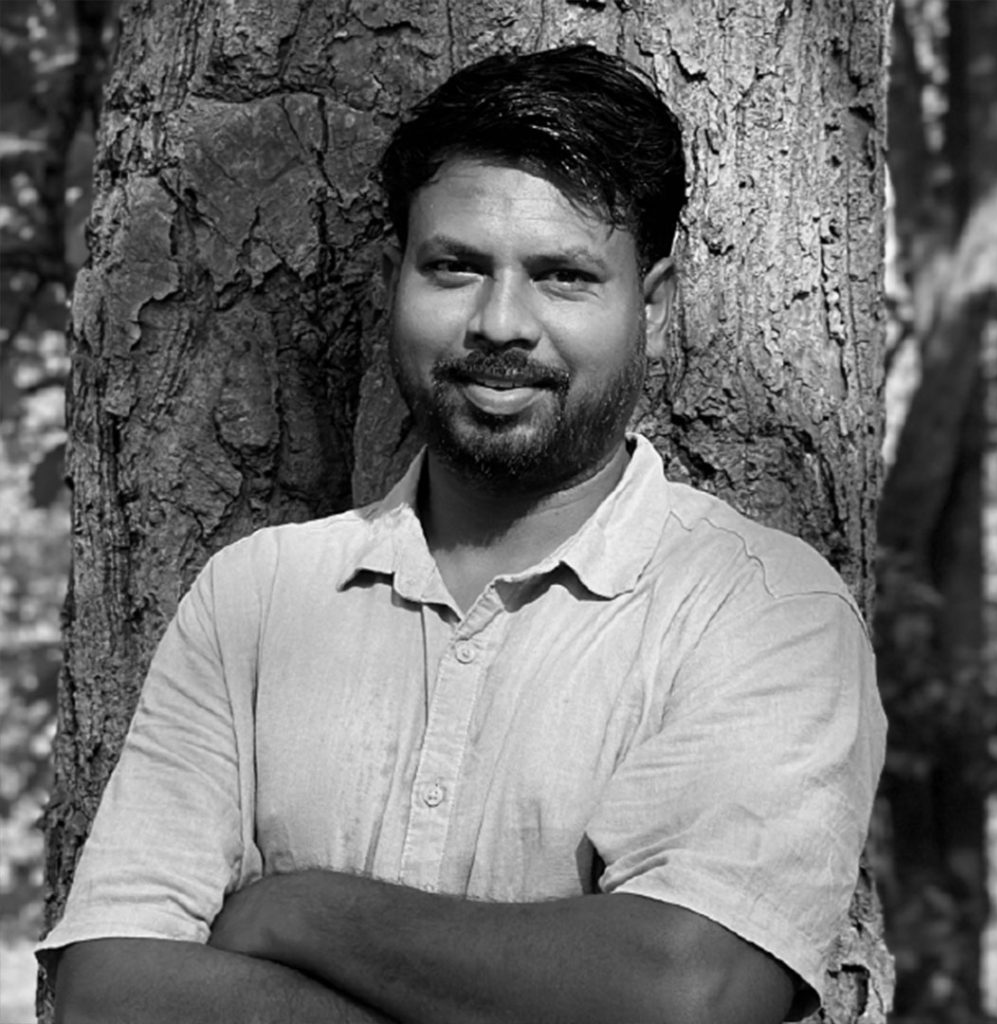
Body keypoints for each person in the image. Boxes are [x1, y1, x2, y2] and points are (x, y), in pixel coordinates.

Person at [42, 45, 885, 1024]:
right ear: (395, 276)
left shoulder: (759, 607)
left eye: (563, 276)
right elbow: (110, 990)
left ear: (648, 303)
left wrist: (297, 912)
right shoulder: (259, 597)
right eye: (454, 266)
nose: (499, 322)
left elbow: (684, 989)